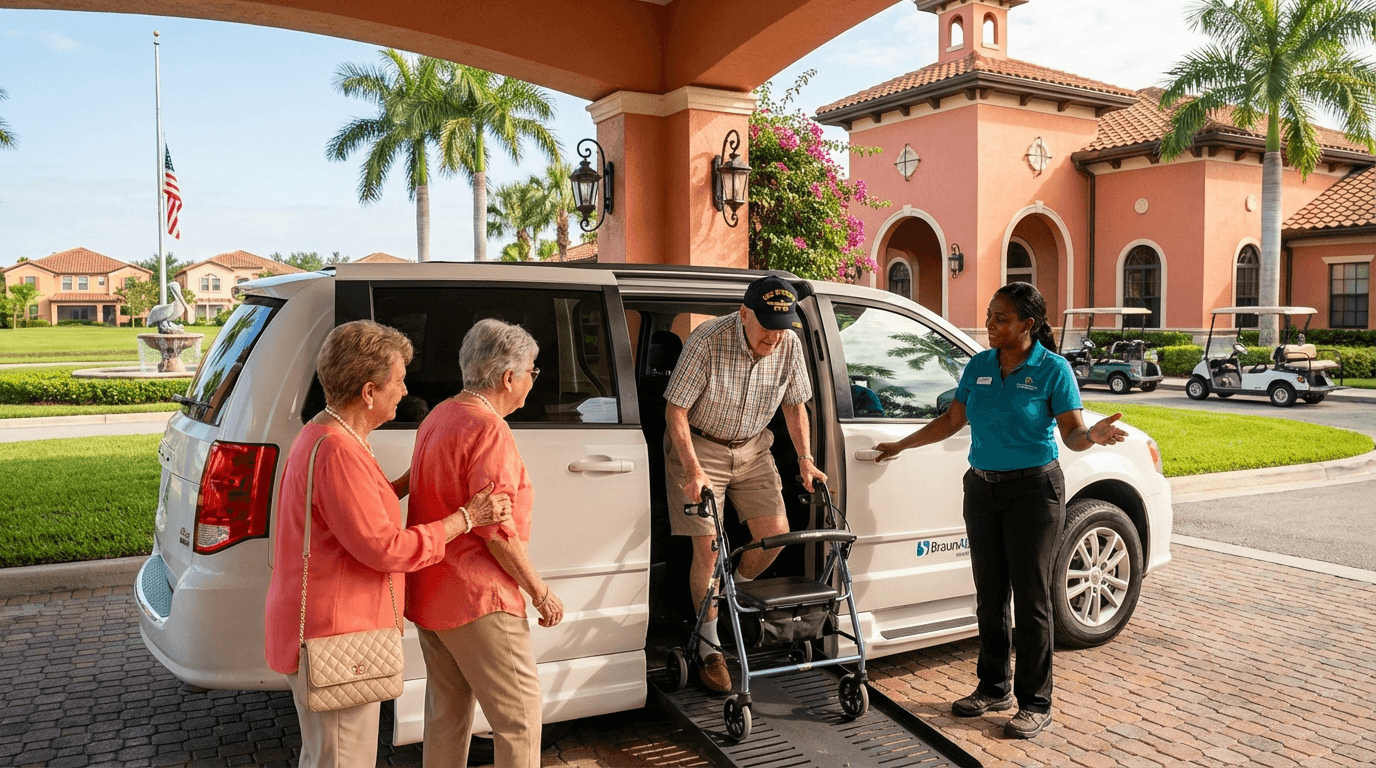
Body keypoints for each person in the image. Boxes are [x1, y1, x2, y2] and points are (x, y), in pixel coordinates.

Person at [874, 282, 1127, 739]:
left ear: (1028, 325)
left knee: (1031, 602)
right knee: (990, 597)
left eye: (1001, 319)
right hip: (982, 491)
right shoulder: (979, 365)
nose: (990, 325)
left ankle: (1035, 702)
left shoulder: (1052, 370)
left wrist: (1093, 436)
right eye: (990, 315)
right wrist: (901, 444)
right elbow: (953, 420)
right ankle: (993, 688)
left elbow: (1070, 434)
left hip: (1034, 492)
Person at [264, 320, 512, 768]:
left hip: (324, 631)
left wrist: (408, 482)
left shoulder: (328, 434)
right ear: (368, 392)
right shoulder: (339, 450)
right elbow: (387, 547)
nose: (404, 390)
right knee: (341, 760)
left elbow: (354, 512)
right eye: (397, 380)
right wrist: (466, 518)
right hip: (336, 635)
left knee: (325, 756)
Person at [406, 318, 564, 768]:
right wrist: (540, 591)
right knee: (519, 720)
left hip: (431, 589)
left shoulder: (439, 414)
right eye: (532, 371)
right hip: (479, 597)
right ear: (507, 377)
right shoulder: (488, 428)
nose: (533, 380)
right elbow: (496, 531)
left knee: (446, 716)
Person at [663, 274, 828, 693]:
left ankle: (725, 594)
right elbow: (675, 412)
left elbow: (796, 405)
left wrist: (806, 459)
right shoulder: (707, 340)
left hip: (754, 448)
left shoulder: (787, 343)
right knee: (708, 547)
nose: (773, 339)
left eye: (781, 329)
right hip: (702, 446)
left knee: (775, 537)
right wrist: (693, 469)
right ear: (743, 313)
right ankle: (710, 647)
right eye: (766, 330)